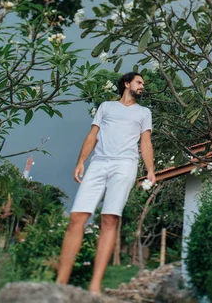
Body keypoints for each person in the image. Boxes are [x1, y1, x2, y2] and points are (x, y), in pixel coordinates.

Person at [56, 72, 156, 293]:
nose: (142, 86)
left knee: (110, 219)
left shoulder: (144, 112)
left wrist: (150, 169)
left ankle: (94, 286)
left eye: (143, 84)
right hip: (99, 163)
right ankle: (60, 284)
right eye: (139, 82)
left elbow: (145, 142)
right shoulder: (106, 107)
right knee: (76, 218)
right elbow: (93, 134)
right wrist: (81, 161)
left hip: (125, 164)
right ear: (127, 84)